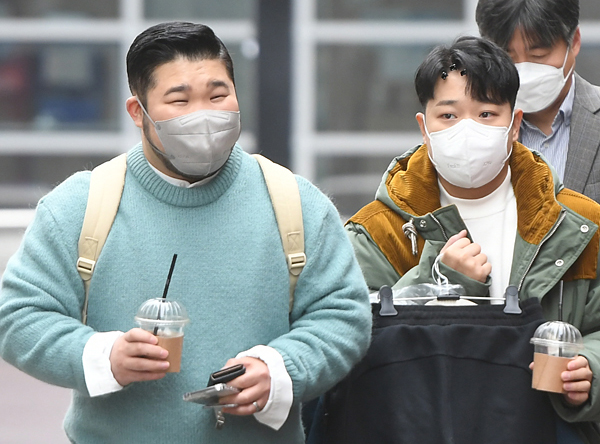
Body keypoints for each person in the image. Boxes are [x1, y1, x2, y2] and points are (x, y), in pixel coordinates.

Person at [0, 22, 371, 443]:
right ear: (138, 112)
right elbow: (19, 315)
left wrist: (282, 369)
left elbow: (344, 316)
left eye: (218, 96)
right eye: (179, 100)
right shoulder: (81, 205)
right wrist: (104, 357)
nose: (204, 115)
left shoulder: (295, 203)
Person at [343, 36, 600, 443]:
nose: (467, 129)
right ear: (424, 127)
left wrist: (595, 368)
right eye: (448, 115)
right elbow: (349, 341)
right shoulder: (377, 231)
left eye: (487, 113)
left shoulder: (579, 224)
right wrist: (438, 284)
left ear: (514, 125)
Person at [475, 0, 600, 439]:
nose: (524, 69)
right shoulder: (469, 134)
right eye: (507, 56)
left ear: (573, 42)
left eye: (539, 54)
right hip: (488, 403)